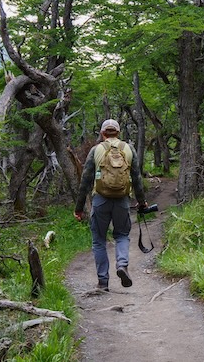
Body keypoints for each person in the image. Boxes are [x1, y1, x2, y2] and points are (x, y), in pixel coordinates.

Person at [75, 119, 148, 291]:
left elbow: (85, 181)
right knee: (122, 234)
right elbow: (137, 178)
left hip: (100, 199)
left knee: (99, 240)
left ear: (102, 133)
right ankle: (122, 265)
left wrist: (79, 208)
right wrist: (142, 201)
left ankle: (103, 282)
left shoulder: (96, 150)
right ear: (118, 132)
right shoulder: (128, 149)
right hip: (122, 200)